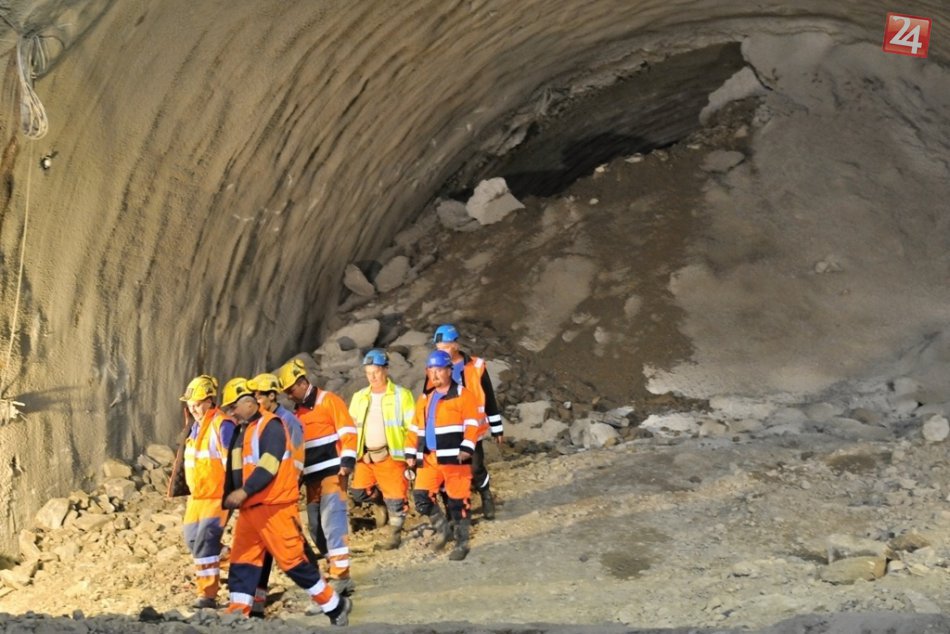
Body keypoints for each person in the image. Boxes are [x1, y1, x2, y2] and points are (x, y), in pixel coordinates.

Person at [220, 377, 352, 625]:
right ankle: (238, 613)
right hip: (251, 509)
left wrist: (244, 491)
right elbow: (234, 472)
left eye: (233, 407)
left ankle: (335, 605)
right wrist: (229, 502)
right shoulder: (242, 430)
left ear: (248, 403)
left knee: (293, 562)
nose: (231, 412)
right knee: (242, 558)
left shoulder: (272, 426)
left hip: (275, 508)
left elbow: (269, 464)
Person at [277, 358, 357, 596]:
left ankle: (341, 576)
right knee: (315, 528)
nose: (289, 395)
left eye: (291, 389)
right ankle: (334, 566)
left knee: (332, 522)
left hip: (333, 473)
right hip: (312, 478)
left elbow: (348, 432)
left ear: (302, 383)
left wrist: (348, 461)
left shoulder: (328, 401)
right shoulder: (297, 414)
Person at [406, 350, 481, 561]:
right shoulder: (426, 398)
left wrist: (467, 447)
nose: (435, 374)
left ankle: (462, 542)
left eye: (439, 370)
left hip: (455, 458)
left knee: (458, 502)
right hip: (429, 458)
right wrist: (410, 452)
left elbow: (472, 424)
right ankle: (443, 529)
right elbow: (414, 428)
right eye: (431, 370)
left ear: (449, 371)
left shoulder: (463, 395)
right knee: (421, 497)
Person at [244, 373, 308, 618]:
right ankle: (256, 600)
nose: (256, 400)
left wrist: (289, 488)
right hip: (263, 496)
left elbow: (297, 459)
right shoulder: (260, 422)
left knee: (290, 546)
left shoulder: (287, 421)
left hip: (280, 497)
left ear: (272, 395)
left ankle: (324, 593)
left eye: (259, 395)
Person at [430, 323, 504, 519]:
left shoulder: (476, 366)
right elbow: (429, 399)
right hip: (447, 428)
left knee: (476, 466)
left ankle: (486, 495)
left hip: (472, 428)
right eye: (439, 348)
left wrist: (497, 428)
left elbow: (489, 397)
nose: (442, 352)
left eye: (446, 347)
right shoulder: (435, 366)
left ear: (456, 344)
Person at [347, 349, 415, 549]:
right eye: (368, 373)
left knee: (396, 499)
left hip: (391, 455)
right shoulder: (360, 397)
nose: (372, 377)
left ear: (386, 369)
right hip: (366, 457)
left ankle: (394, 536)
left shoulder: (402, 395)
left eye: (376, 372)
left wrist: (412, 454)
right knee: (359, 492)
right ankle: (380, 503)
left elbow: (413, 428)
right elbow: (350, 428)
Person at [178, 374, 236, 609]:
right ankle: (238, 563)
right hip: (197, 497)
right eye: (190, 404)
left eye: (197, 403)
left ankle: (207, 595)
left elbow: (232, 463)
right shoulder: (195, 427)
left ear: (210, 401)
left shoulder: (222, 425)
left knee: (205, 541)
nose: (192, 408)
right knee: (193, 540)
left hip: (217, 495)